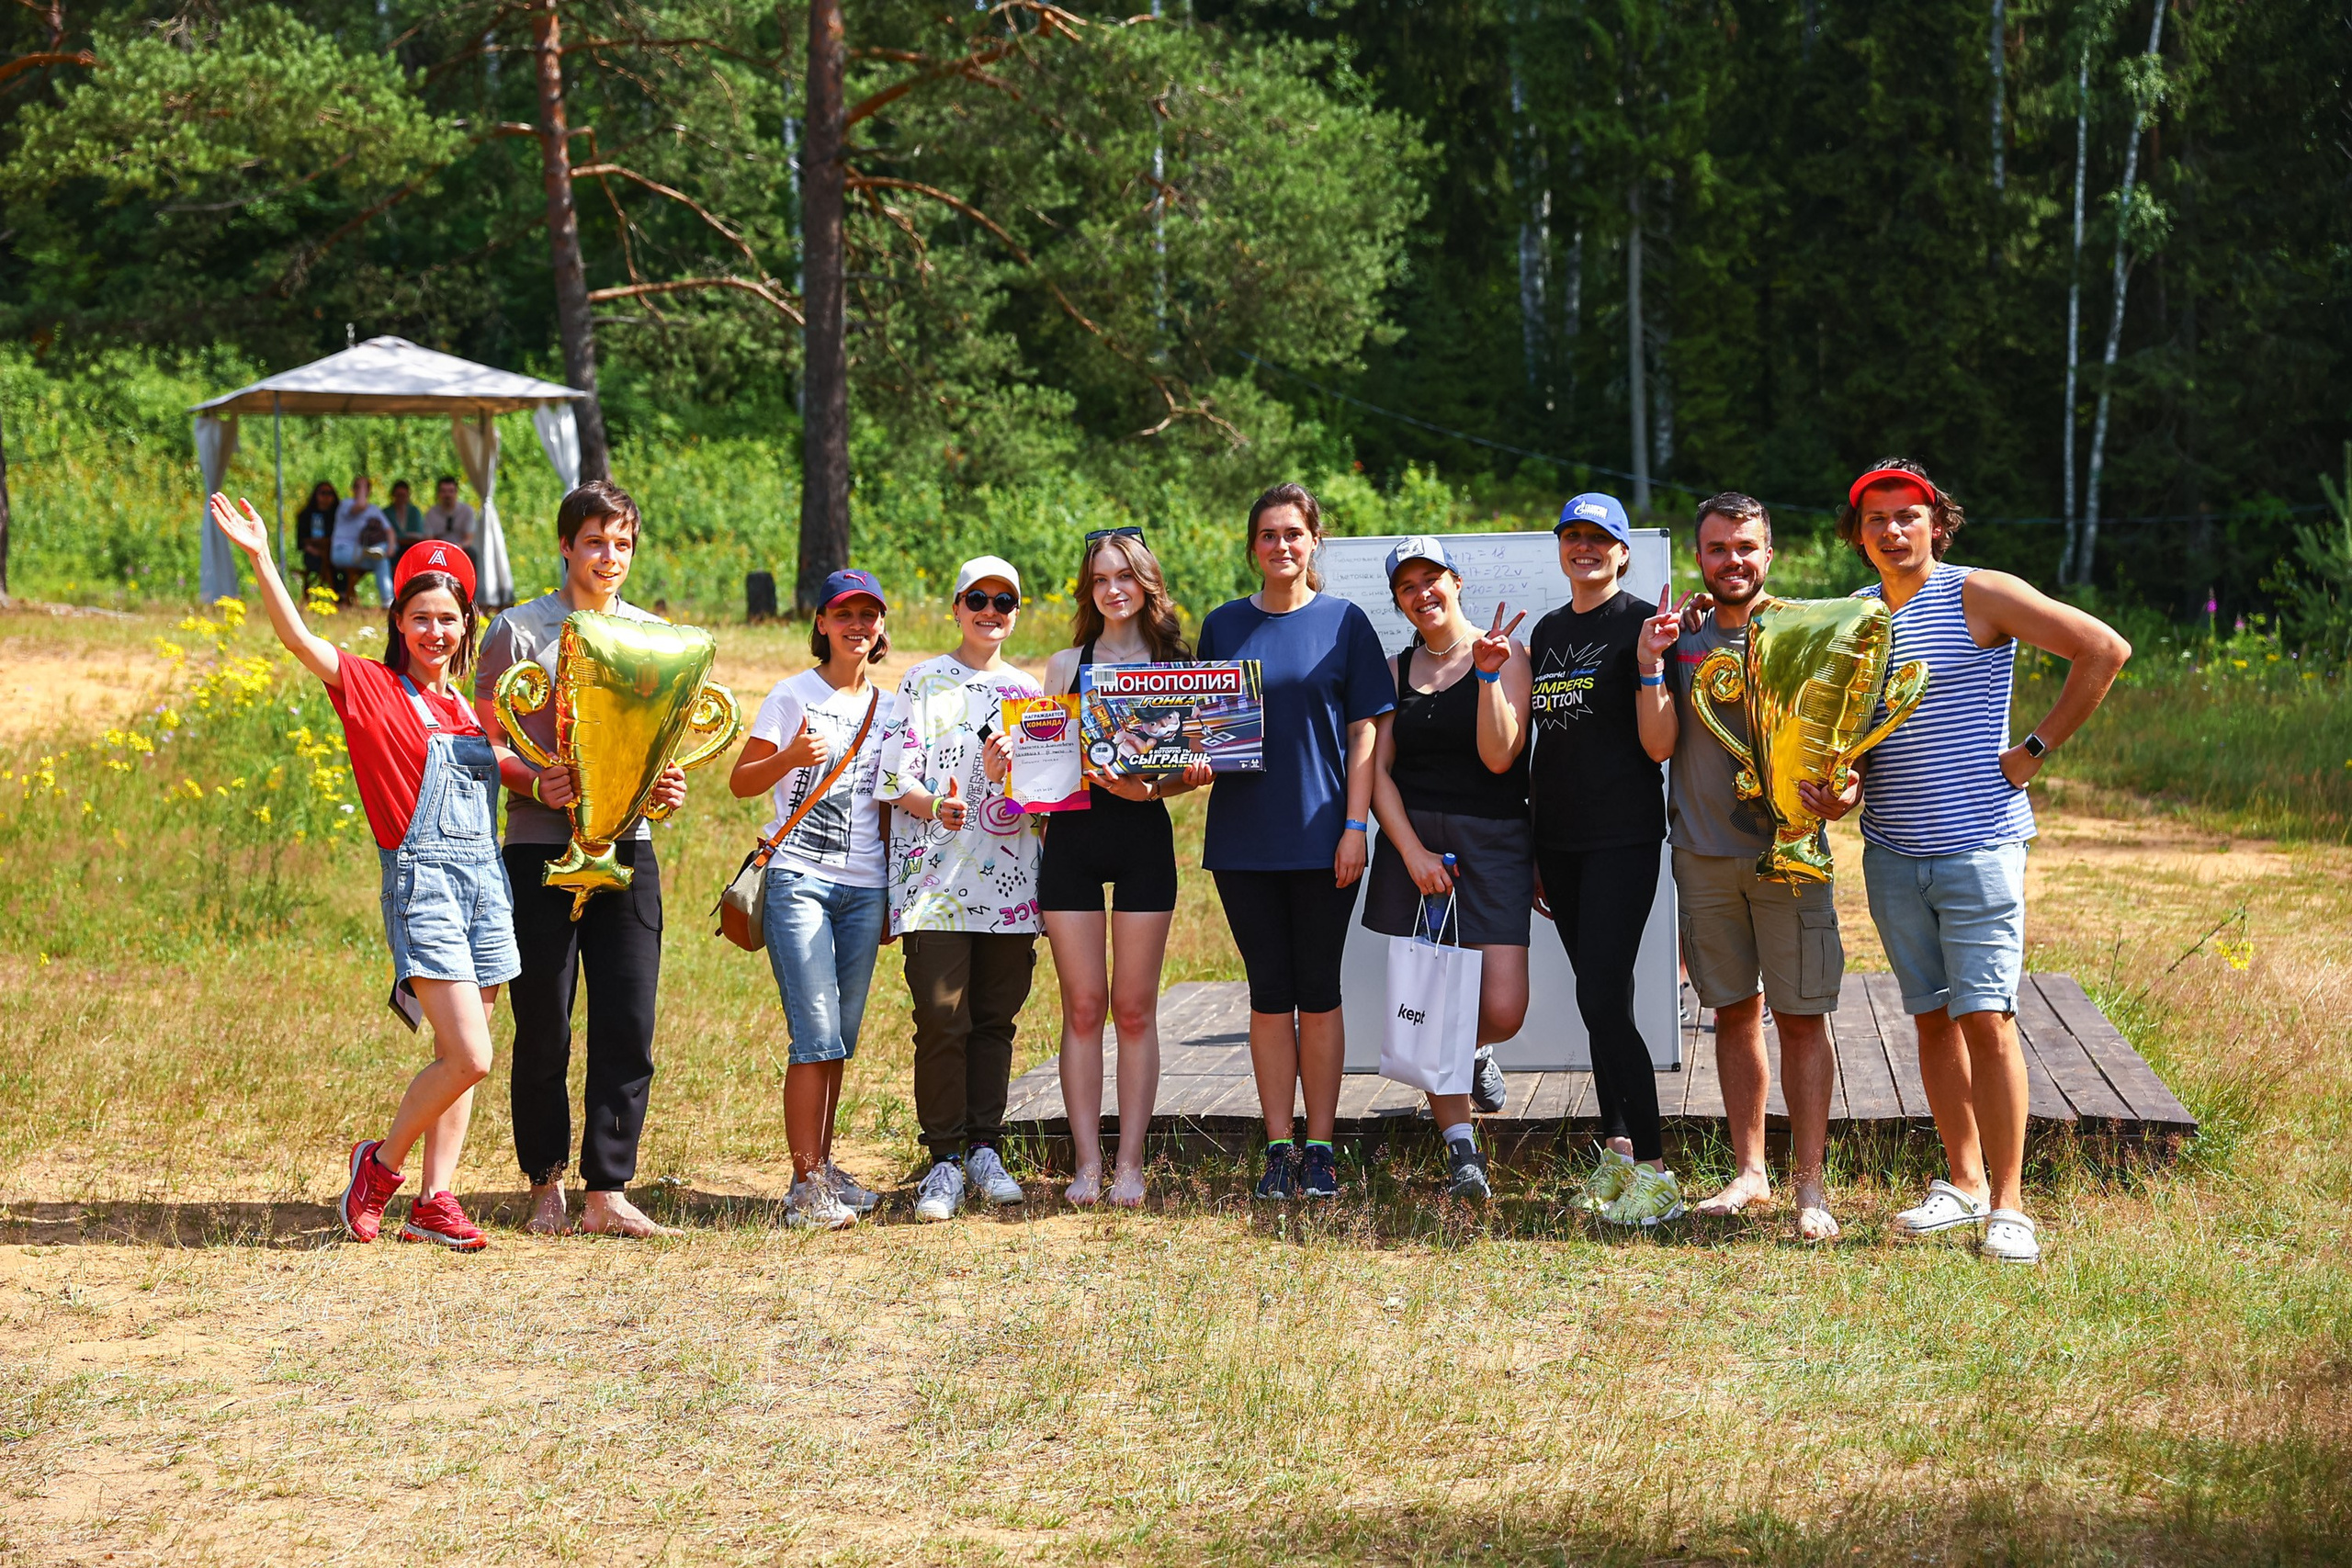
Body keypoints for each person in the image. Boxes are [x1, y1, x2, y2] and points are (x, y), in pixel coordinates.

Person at [1811, 459, 2130, 1265]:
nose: (1892, 530)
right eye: (1876, 519)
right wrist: (1842, 787)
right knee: (1929, 1018)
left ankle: (2010, 1206)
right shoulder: (1854, 617)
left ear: (1936, 524)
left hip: (1980, 843)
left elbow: (2103, 648)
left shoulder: (1980, 593)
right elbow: (1857, 740)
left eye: (1907, 515)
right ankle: (1963, 1183)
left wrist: (2032, 750)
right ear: (1859, 535)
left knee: (1986, 1019)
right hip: (1890, 850)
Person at [207, 494, 517, 1252]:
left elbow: (510, 768)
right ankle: (378, 1168)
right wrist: (262, 558)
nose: (435, 631)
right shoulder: (369, 687)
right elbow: (297, 637)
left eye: (449, 618)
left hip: (486, 888)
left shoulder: (472, 709)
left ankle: (436, 1201)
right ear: (398, 622)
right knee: (469, 1055)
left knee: (463, 1059)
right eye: (421, 617)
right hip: (424, 886)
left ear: (466, 625)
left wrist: (560, 778)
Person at [473, 481, 688, 1239]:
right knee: (544, 1024)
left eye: (622, 543)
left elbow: (660, 741)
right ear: (566, 546)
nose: (609, 556)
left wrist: (665, 782)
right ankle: (545, 1185)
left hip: (629, 849)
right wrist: (535, 780)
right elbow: (485, 742)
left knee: (628, 1022)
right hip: (540, 848)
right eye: (595, 541)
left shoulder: (654, 636)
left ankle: (608, 1190)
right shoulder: (516, 630)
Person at [1194, 484, 1394, 1201]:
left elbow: (1366, 732)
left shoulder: (1346, 623)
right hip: (1243, 842)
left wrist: (1355, 826)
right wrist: (1190, 756)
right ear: (1254, 546)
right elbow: (1204, 728)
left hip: (1324, 841)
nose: (1282, 545)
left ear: (1314, 541)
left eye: (1293, 533)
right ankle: (1279, 1146)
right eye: (1269, 534)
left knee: (1320, 989)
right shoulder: (1222, 626)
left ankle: (1321, 1148)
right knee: (1269, 992)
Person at [1668, 493, 1845, 1241]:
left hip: (1790, 857)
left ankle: (1810, 1186)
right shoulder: (1678, 639)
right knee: (1733, 1011)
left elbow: (1842, 741)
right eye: (1718, 548)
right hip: (1704, 855)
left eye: (1746, 546)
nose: (1732, 560)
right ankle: (1750, 1171)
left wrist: (1844, 790)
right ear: (1698, 559)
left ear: (1769, 553)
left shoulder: (1808, 633)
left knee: (1802, 1017)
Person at [1037, 528, 1210, 1208]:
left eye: (1124, 576)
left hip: (1143, 840)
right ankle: (1086, 1164)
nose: (1113, 589)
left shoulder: (1179, 665)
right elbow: (1042, 769)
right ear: (1090, 590)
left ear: (1146, 583)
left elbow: (1190, 764)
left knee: (1134, 1010)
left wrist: (1171, 784)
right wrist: (1023, 767)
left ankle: (1130, 1164)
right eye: (1101, 579)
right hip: (1072, 843)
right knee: (1083, 1007)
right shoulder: (1064, 664)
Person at [1526, 492, 1686, 1226]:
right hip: (1557, 842)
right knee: (1604, 999)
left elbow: (1660, 745)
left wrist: (1651, 664)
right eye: (1573, 535)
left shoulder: (1642, 624)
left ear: (1623, 551)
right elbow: (1545, 747)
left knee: (1599, 996)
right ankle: (1617, 1153)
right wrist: (1534, 846)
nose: (1584, 547)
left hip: (1621, 836)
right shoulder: (1549, 630)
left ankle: (1656, 1169)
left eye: (1600, 537)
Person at [1363, 536, 1533, 1201]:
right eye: (1407, 586)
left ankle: (1476, 1049)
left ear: (1456, 581)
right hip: (1418, 852)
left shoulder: (1507, 653)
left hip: (1493, 842)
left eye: (1431, 578)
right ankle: (1462, 1150)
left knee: (1502, 1009)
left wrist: (1487, 676)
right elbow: (1377, 773)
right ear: (1398, 601)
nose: (1422, 593)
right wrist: (1410, 852)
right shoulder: (1392, 669)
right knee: (1434, 1004)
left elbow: (1500, 757)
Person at [876, 555, 1045, 1222]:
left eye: (1004, 601)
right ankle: (943, 1158)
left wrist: (1010, 778)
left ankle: (984, 1148)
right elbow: (895, 778)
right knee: (943, 1021)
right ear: (955, 607)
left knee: (995, 1021)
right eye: (977, 599)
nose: (990, 611)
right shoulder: (922, 680)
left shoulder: (1028, 691)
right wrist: (933, 806)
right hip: (933, 885)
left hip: (1010, 884)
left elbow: (1045, 797)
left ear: (1016, 614)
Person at [729, 569, 895, 1231]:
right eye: (843, 613)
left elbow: (888, 806)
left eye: (868, 614)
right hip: (799, 880)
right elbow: (743, 781)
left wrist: (892, 895)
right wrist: (792, 755)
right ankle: (805, 1188)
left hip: (866, 887)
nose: (857, 625)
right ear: (821, 623)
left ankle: (823, 1168)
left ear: (879, 627)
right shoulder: (791, 694)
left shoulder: (890, 708)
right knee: (815, 1034)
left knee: (840, 1039)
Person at [333, 476, 395, 607]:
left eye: (365, 487)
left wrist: (390, 549)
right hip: (342, 551)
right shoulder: (345, 504)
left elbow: (389, 531)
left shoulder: (374, 510)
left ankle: (388, 601)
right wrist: (362, 485)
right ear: (353, 489)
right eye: (358, 487)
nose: (361, 490)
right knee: (378, 557)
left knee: (381, 560)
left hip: (363, 554)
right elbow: (360, 505)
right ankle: (371, 552)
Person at [424, 476, 481, 579]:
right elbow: (429, 539)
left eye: (450, 491)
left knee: (472, 554)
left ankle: (472, 585)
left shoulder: (467, 511)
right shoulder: (431, 513)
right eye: (444, 491)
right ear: (439, 494)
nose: (447, 495)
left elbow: (468, 539)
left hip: (461, 549)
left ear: (456, 493)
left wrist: (456, 548)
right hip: (438, 550)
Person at [296, 480, 343, 600]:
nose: (326, 497)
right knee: (324, 565)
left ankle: (342, 594)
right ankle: (335, 595)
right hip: (313, 555)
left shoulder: (338, 515)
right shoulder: (306, 515)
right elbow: (301, 542)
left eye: (330, 493)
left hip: (334, 553)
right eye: (323, 493)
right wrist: (315, 550)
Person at [386, 480, 427, 557]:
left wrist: (399, 535)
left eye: (403, 495)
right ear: (393, 495)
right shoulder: (387, 512)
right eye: (398, 495)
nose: (401, 498)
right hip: (393, 551)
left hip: (412, 550)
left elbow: (419, 534)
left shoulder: (414, 511)